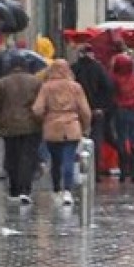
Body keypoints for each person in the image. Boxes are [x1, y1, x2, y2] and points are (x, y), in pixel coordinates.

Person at [32, 59, 91, 206]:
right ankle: (67, 191)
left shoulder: (46, 87)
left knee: (55, 161)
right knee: (69, 159)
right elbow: (85, 111)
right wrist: (84, 126)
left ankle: (57, 189)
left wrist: (43, 119)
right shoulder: (76, 87)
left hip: (52, 128)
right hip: (72, 127)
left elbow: (37, 109)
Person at [0, 54, 44, 202]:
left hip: (8, 126)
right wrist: (39, 121)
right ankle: (25, 189)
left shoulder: (1, 83)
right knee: (27, 157)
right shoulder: (36, 82)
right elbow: (41, 104)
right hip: (30, 125)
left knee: (12, 157)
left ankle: (14, 189)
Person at [71, 44, 114, 177]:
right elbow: (109, 87)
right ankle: (95, 172)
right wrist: (102, 106)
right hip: (96, 110)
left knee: (77, 140)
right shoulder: (99, 68)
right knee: (96, 140)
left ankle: (78, 170)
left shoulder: (74, 68)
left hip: (77, 111)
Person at [110, 53, 134, 182]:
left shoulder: (114, 79)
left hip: (120, 112)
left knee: (121, 140)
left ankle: (123, 170)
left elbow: (111, 94)